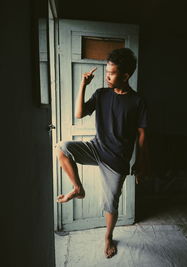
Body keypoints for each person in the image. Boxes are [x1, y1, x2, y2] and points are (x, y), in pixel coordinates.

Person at [54, 48, 149, 258]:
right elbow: (79, 113)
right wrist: (83, 85)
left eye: (112, 73)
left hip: (117, 159)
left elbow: (142, 136)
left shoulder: (137, 101)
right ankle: (78, 188)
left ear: (125, 75)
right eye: (106, 71)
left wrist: (141, 163)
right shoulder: (101, 94)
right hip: (96, 148)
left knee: (110, 204)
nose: (107, 76)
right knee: (62, 148)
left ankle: (108, 236)